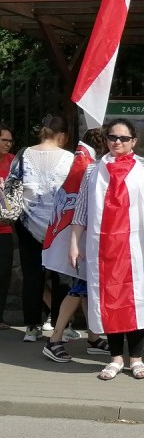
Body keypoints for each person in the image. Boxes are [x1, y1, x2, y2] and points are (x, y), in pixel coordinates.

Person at [69, 120, 144, 380]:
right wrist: (74, 243)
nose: (117, 142)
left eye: (124, 138)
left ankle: (136, 358)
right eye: (112, 137)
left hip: (135, 247)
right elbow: (81, 209)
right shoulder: (93, 170)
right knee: (108, 300)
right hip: (102, 249)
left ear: (134, 141)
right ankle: (115, 358)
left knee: (136, 300)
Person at [41, 129, 111, 362]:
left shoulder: (81, 162)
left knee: (87, 289)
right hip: (83, 239)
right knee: (79, 289)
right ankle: (55, 339)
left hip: (80, 238)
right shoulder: (87, 166)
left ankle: (92, 337)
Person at [15, 115, 74, 342]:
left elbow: (11, 184)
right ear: (62, 136)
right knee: (61, 277)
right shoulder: (69, 158)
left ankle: (31, 327)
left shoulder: (23, 155)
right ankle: (61, 326)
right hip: (59, 226)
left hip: (27, 224)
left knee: (32, 276)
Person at [0, 123, 15, 330]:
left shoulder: (12, 161)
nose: (8, 144)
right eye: (4, 140)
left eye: (10, 141)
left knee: (3, 273)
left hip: (5, 226)